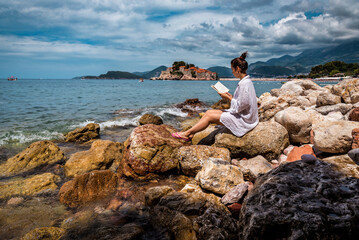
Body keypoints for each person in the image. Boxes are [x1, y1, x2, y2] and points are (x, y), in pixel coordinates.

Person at [171, 51, 258, 141]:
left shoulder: (244, 84)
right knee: (209, 112)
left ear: (238, 68)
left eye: (232, 69)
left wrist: (228, 98)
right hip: (244, 116)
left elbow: (241, 106)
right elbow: (243, 102)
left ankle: (187, 133)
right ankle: (191, 133)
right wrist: (231, 97)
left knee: (209, 117)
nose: (232, 71)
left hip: (244, 121)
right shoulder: (246, 81)